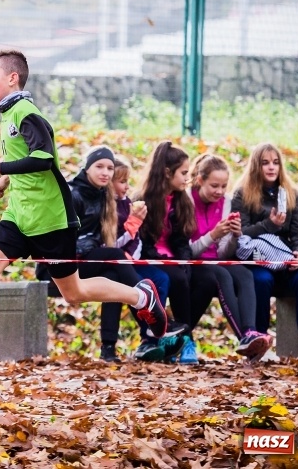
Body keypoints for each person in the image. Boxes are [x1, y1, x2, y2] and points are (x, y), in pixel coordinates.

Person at [0, 50, 168, 385]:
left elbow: (44, 158)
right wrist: (6, 180)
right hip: (19, 215)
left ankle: (140, 296)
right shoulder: (8, 114)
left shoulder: (26, 113)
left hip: (51, 219)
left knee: (73, 294)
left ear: (12, 78)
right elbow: (25, 158)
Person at [64, 147, 186, 363]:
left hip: (94, 256)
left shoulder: (104, 194)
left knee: (113, 277)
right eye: (99, 167)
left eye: (109, 168)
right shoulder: (74, 193)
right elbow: (67, 236)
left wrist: (132, 225)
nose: (105, 172)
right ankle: (154, 317)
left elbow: (109, 237)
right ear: (86, 167)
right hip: (67, 261)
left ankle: (108, 349)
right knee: (115, 254)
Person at [230, 142, 298, 364]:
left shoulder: (292, 195)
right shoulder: (242, 194)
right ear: (256, 166)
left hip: (284, 259)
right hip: (256, 260)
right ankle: (261, 341)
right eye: (265, 163)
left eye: (275, 162)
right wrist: (269, 225)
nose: (271, 167)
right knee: (261, 281)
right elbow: (240, 234)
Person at [186, 153, 272, 359]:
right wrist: (212, 235)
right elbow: (187, 251)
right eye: (214, 186)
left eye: (224, 186)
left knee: (244, 274)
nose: (220, 191)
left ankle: (250, 331)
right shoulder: (187, 200)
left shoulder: (226, 203)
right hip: (193, 262)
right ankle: (244, 337)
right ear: (200, 181)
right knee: (222, 277)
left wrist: (234, 236)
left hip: (217, 260)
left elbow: (224, 252)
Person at [133, 141, 212, 365]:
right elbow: (143, 241)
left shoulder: (182, 200)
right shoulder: (143, 199)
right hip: (150, 259)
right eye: (184, 173)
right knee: (175, 277)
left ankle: (178, 336)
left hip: (174, 259)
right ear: (167, 173)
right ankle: (185, 339)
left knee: (205, 280)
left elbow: (182, 240)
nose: (187, 178)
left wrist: (184, 261)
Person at [113, 155, 188, 362]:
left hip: (135, 260)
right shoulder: (114, 206)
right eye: (121, 182)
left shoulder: (128, 203)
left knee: (162, 279)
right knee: (144, 282)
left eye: (127, 181)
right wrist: (134, 225)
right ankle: (152, 336)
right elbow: (113, 243)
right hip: (117, 263)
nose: (127, 187)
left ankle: (156, 334)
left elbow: (136, 240)